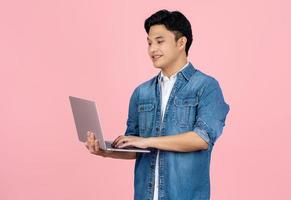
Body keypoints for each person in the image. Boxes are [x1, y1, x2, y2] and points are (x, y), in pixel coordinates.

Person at [85, 9, 230, 200]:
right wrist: (105, 151)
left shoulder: (206, 86)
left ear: (181, 42)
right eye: (149, 43)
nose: (152, 49)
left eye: (160, 42)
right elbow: (135, 148)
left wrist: (147, 141)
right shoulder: (141, 92)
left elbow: (201, 139)